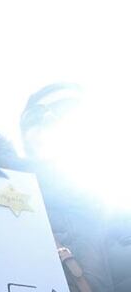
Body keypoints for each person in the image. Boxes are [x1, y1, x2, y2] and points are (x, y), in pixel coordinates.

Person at [20, 83, 131, 292]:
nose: (52, 121)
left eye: (66, 110)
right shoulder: (7, 208)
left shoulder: (119, 207)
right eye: (37, 117)